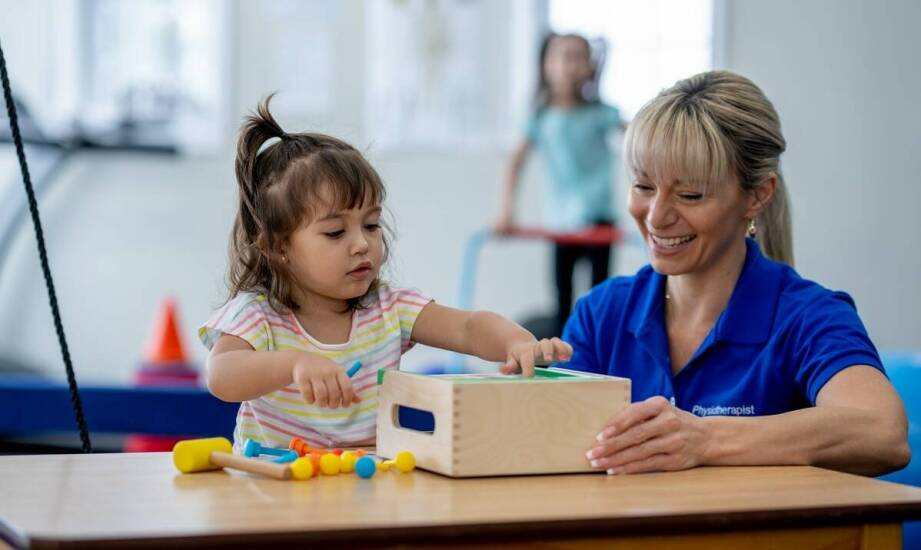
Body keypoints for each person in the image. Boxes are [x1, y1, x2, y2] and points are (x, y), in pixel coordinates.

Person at [504, 70, 910, 477]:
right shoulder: (602, 313)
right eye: (643, 186)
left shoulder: (808, 316)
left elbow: (882, 432)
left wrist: (705, 439)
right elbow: (552, 449)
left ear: (757, 195)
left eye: (690, 195)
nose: (657, 217)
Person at [200, 96, 571, 450]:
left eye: (372, 225)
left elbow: (468, 327)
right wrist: (295, 364)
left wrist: (517, 342)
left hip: (365, 489)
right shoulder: (258, 314)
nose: (361, 244)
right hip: (274, 493)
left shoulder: (389, 308)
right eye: (335, 232)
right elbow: (222, 376)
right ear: (279, 247)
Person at [495, 32, 624, 337]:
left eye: (577, 58)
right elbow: (515, 163)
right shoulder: (541, 118)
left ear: (590, 67)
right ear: (545, 66)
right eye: (561, 57)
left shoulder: (602, 114)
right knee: (563, 301)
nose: (569, 66)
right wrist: (506, 212)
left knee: (599, 300)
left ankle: (598, 358)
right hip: (561, 225)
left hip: (598, 219)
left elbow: (637, 139)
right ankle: (567, 361)